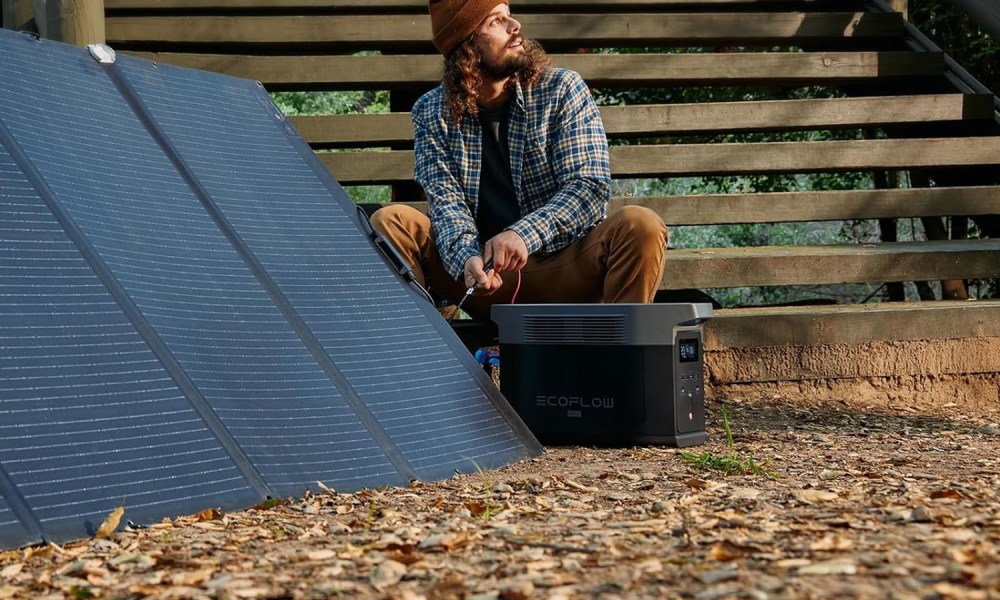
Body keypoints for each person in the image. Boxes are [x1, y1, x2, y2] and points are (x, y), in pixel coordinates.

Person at [371, 0, 668, 320]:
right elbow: (447, 205)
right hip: (486, 281)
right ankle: (427, 353)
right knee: (391, 223)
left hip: (564, 270)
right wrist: (467, 260)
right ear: (466, 49)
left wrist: (522, 235)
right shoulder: (431, 113)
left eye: (509, 15)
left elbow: (588, 188)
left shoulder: (562, 89)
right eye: (496, 22)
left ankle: (623, 357)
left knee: (641, 225)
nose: (515, 27)